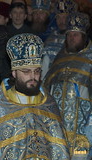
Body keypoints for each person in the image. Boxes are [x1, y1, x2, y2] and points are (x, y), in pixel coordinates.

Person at [0, 33, 70, 159]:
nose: (33, 77)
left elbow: (60, 151)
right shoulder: (0, 109)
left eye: (36, 71)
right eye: (26, 71)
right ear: (14, 73)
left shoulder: (49, 105)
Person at [44, 12, 92, 159]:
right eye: (69, 34)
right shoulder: (59, 58)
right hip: (57, 126)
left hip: (83, 128)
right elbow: (47, 88)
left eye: (76, 35)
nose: (71, 38)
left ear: (84, 37)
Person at [41, 0, 78, 79]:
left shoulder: (78, 39)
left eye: (65, 17)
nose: (62, 21)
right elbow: (44, 66)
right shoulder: (50, 38)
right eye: (58, 17)